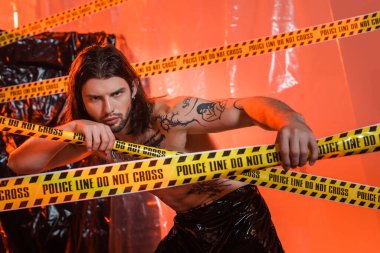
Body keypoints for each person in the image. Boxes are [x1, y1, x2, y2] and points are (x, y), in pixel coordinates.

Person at [8, 44, 318, 253]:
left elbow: (247, 107)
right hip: (188, 225)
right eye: (95, 99)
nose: (109, 108)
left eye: (116, 94)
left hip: (238, 216)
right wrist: (73, 128)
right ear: (82, 101)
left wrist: (291, 121)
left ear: (132, 88)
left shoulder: (171, 115)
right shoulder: (98, 135)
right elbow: (21, 164)